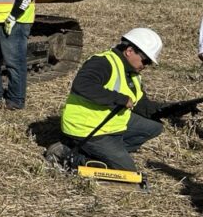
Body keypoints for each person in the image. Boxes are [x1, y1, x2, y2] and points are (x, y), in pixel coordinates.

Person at [49, 28, 166, 172]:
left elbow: (142, 105)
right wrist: (120, 99)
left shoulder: (132, 73)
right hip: (88, 128)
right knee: (126, 172)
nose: (146, 65)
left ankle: (101, 152)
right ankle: (68, 154)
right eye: (145, 60)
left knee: (154, 127)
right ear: (129, 51)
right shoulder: (103, 63)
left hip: (110, 123)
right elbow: (82, 85)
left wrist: (170, 109)